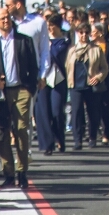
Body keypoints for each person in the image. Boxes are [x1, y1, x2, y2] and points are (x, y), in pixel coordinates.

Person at [0, 7, 39, 188]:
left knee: (21, 130)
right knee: (2, 133)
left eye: (8, 17)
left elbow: (33, 66)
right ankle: (9, 173)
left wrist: (30, 88)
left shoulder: (24, 40)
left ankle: (22, 171)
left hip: (21, 90)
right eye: (2, 18)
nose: (6, 21)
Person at [6, 0, 51, 153]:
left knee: (26, 115)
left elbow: (44, 50)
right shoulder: (6, 23)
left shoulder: (38, 23)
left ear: (18, 4)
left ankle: (26, 151)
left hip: (29, 76)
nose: (6, 8)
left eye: (8, 5)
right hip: (8, 76)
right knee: (9, 118)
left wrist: (43, 74)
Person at [66, 21, 109, 150]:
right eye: (81, 32)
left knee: (93, 113)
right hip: (76, 85)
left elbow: (105, 68)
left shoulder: (96, 49)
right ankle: (77, 140)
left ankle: (92, 137)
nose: (84, 35)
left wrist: (98, 77)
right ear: (77, 33)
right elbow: (67, 67)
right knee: (76, 112)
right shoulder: (72, 50)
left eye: (86, 32)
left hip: (91, 85)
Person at [42, 15, 70, 154]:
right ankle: (48, 143)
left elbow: (57, 54)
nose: (49, 28)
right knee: (45, 112)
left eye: (52, 25)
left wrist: (48, 46)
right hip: (44, 78)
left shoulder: (64, 41)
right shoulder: (43, 40)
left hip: (58, 79)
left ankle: (60, 137)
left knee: (57, 111)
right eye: (48, 25)